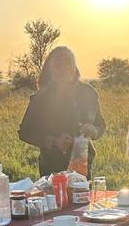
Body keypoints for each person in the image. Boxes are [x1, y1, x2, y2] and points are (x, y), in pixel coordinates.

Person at [18, 46, 105, 179]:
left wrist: (94, 131)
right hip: (52, 167)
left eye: (68, 62)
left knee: (81, 198)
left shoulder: (89, 93)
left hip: (84, 163)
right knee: (56, 198)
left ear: (75, 65)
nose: (64, 68)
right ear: (50, 69)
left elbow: (100, 125)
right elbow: (25, 132)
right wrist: (54, 141)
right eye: (58, 65)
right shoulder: (41, 98)